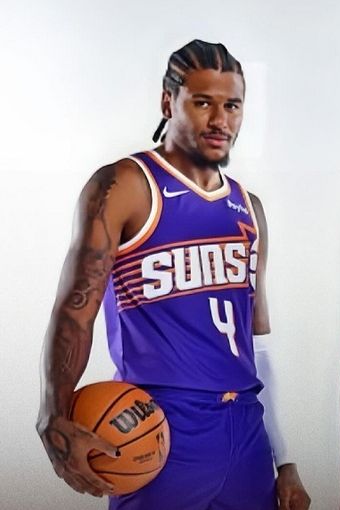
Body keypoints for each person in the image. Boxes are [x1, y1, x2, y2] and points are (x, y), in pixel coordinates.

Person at [36, 39, 311, 510]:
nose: (220, 120)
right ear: (169, 102)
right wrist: (52, 413)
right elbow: (75, 311)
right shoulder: (125, 185)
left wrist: (284, 459)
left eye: (232, 106)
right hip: (158, 423)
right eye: (203, 103)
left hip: (245, 427)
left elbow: (258, 344)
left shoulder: (250, 207)